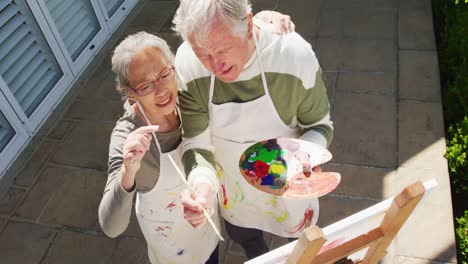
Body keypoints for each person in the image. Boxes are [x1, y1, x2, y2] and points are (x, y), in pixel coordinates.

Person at [98, 13, 296, 264]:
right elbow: (111, 226)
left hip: (206, 226)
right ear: (129, 93)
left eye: (164, 75)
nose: (160, 90)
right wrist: (128, 170)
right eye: (146, 86)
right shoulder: (128, 136)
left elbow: (219, 38)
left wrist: (261, 20)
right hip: (173, 248)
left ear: (173, 66)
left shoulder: (189, 94)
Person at [173, 0, 333, 260]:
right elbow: (196, 144)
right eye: (203, 55)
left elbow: (320, 125)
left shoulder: (293, 55)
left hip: (290, 184)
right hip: (234, 190)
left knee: (300, 241)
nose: (216, 65)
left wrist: (309, 152)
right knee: (243, 235)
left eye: (223, 49)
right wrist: (201, 187)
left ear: (248, 25)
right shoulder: (188, 63)